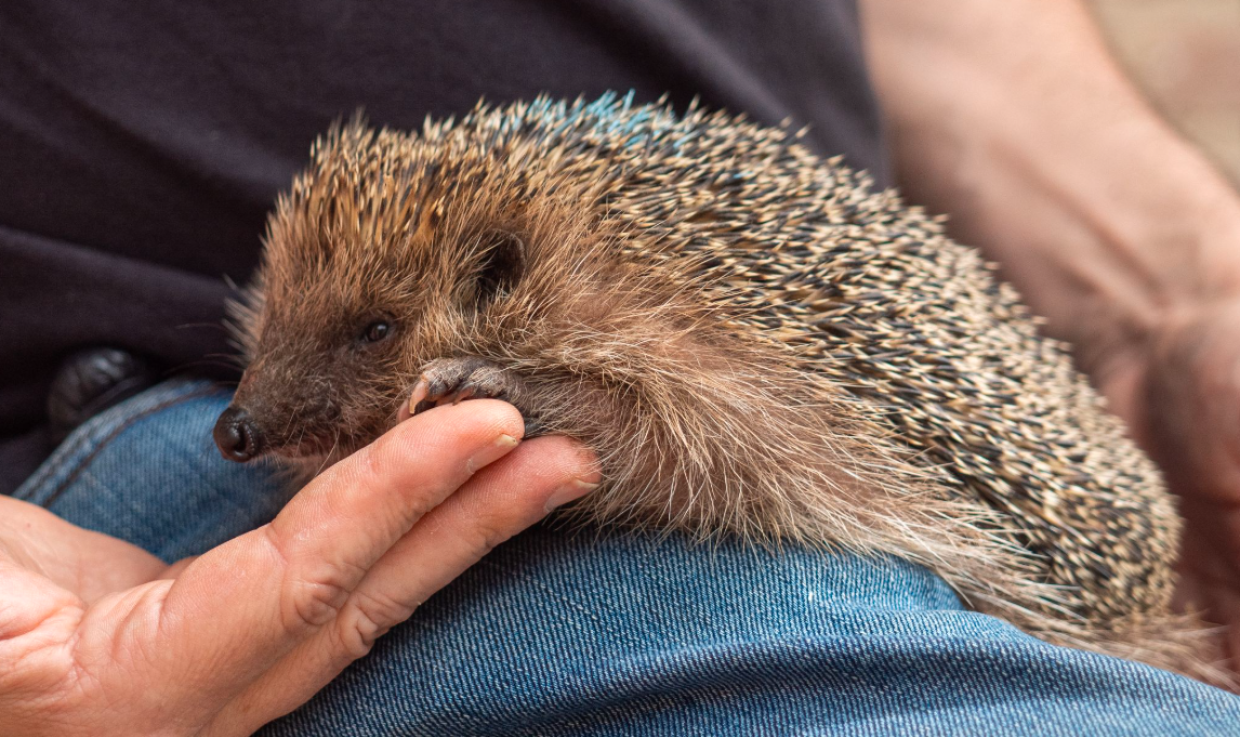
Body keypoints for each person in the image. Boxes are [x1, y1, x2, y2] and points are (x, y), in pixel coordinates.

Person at [3, 0, 1240, 734]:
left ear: (503, 280)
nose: (263, 409)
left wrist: (1171, 304)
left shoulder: (663, 315)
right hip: (107, 482)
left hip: (912, 469)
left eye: (369, 334)